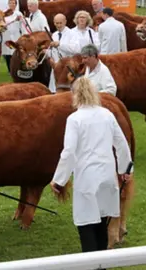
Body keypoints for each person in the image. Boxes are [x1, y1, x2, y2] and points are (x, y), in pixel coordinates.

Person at [49, 76, 133, 253]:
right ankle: (101, 265)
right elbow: (121, 144)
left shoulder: (75, 119)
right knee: (102, 226)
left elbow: (69, 152)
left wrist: (59, 180)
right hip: (108, 177)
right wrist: (125, 169)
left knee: (86, 226)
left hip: (87, 178)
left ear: (75, 95)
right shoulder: (107, 115)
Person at [47, 13, 80, 93]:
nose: (58, 25)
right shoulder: (54, 35)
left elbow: (76, 49)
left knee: (66, 91)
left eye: (60, 23)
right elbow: (52, 52)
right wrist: (48, 54)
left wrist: (60, 44)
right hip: (56, 67)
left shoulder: (73, 34)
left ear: (65, 22)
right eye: (56, 23)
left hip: (68, 68)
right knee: (55, 91)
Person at [1, 0, 24, 72]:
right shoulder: (4, 13)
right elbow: (2, 25)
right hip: (7, 36)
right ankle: (9, 69)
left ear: (16, 4)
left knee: (15, 53)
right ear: (8, 4)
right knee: (7, 54)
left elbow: (22, 25)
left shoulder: (19, 14)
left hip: (16, 35)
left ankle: (17, 67)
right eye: (10, 3)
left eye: (13, 3)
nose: (12, 4)